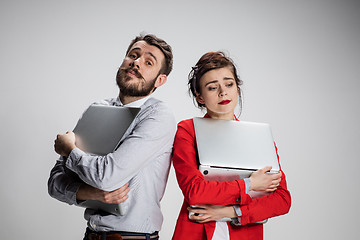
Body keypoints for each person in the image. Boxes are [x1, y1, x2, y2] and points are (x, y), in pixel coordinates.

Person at [48, 34, 176, 240]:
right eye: (133, 55)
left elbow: (108, 176)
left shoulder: (158, 115)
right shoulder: (97, 108)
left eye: (148, 62)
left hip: (133, 237)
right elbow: (54, 184)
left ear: (159, 80)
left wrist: (69, 150)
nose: (136, 62)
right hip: (91, 235)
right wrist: (91, 193)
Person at [171, 52, 291, 240]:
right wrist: (250, 184)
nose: (223, 92)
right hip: (196, 231)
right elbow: (195, 192)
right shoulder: (188, 131)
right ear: (200, 97)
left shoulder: (259, 137)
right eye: (212, 88)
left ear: (237, 89)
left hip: (246, 233)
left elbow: (281, 200)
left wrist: (229, 211)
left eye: (229, 84)